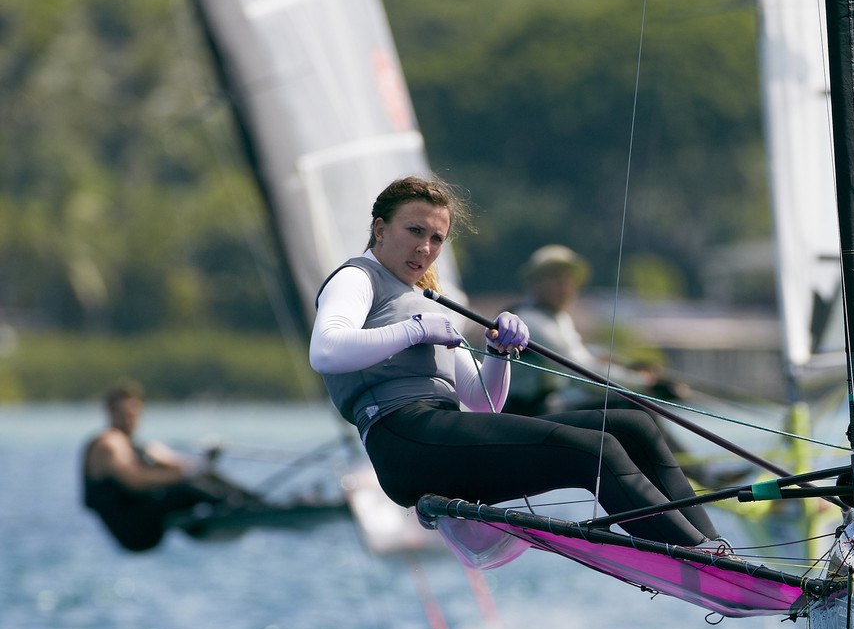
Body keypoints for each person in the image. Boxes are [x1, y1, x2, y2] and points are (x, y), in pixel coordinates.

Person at [308, 176, 717, 547]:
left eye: (436, 238)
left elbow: (483, 402)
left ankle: (716, 547)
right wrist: (414, 330)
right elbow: (325, 350)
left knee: (632, 425)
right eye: (414, 231)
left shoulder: (425, 302)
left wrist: (498, 354)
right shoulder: (357, 277)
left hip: (440, 433)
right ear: (380, 229)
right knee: (596, 451)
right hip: (403, 443)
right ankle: (697, 554)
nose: (425, 248)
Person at [82, 379, 263, 552]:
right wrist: (186, 473)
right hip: (133, 530)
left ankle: (252, 501)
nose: (129, 420)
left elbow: (180, 464)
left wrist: (206, 460)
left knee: (200, 476)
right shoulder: (109, 442)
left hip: (147, 523)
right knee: (187, 486)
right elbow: (136, 481)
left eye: (133, 414)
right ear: (110, 413)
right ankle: (244, 505)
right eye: (124, 414)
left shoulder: (137, 445)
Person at [504, 244, 684, 416]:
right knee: (633, 407)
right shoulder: (530, 321)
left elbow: (583, 356)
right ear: (535, 283)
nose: (566, 287)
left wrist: (628, 368)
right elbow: (581, 370)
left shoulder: (558, 318)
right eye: (557, 279)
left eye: (570, 280)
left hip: (549, 405)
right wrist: (646, 384)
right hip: (525, 413)